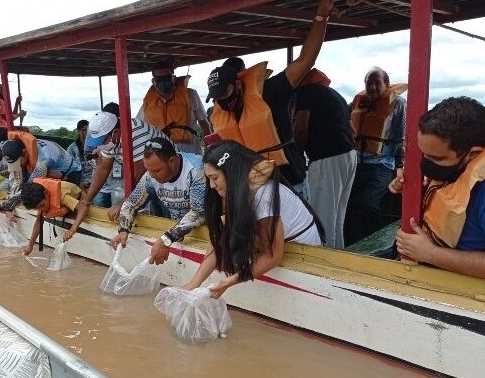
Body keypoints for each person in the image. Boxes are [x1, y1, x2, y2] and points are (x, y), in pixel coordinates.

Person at [205, 0, 335, 201]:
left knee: (298, 234)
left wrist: (322, 15)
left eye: (225, 93)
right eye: (217, 97)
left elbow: (305, 60)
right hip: (253, 187)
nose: (223, 101)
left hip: (290, 182)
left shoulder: (270, 92)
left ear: (237, 84)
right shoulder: (220, 113)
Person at [181, 140, 324, 299]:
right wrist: (194, 283)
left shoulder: (263, 195)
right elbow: (219, 238)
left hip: (304, 253)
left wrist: (228, 283)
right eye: (209, 179)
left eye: (214, 177)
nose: (212, 185)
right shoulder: (238, 191)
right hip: (277, 245)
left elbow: (272, 256)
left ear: (231, 173)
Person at [391, 97, 485, 279]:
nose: (426, 164)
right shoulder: (454, 169)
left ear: (473, 153)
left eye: (436, 159)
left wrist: (431, 254)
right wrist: (412, 190)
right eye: (424, 154)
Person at [63, 111, 171, 241]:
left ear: (116, 132)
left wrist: (123, 203)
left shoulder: (136, 133)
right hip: (151, 177)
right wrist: (87, 200)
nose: (100, 145)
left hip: (168, 174)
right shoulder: (109, 140)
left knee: (168, 215)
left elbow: (138, 175)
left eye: (102, 140)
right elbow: (103, 168)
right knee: (157, 211)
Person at [109, 138, 206, 265]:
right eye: (148, 170)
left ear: (172, 161)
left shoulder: (196, 170)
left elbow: (198, 212)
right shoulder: (150, 176)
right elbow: (130, 204)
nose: (152, 175)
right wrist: (123, 230)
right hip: (177, 232)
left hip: (206, 234)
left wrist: (166, 239)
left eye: (156, 171)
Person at [345, 67, 407, 244]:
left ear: (386, 85)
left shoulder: (398, 104)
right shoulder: (358, 103)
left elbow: (401, 138)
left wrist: (399, 166)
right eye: (368, 83)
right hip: (356, 163)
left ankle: (378, 243)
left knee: (369, 203)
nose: (372, 87)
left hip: (382, 165)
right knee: (348, 203)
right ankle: (352, 240)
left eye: (376, 83)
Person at [292, 82, 357, 250]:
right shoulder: (334, 94)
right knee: (337, 217)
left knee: (323, 217)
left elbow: (301, 128)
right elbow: (353, 131)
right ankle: (338, 256)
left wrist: (295, 153)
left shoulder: (305, 91)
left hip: (326, 158)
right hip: (349, 155)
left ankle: (324, 263)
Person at [0, 133, 83, 220]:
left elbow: (27, 189)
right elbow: (16, 180)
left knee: (61, 206)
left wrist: (0, 208)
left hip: (71, 171)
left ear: (24, 153)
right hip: (45, 169)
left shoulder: (42, 162)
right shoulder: (12, 149)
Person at [137, 59, 210, 154]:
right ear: (153, 81)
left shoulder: (191, 95)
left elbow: (204, 125)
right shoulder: (148, 102)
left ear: (173, 78)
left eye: (167, 78)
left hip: (190, 154)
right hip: (161, 156)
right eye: (159, 79)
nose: (163, 82)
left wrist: (209, 150)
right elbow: (138, 128)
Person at [21, 179, 82, 256]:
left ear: (46, 193)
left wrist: (72, 229)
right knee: (62, 211)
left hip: (78, 196)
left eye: (42, 205)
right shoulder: (39, 199)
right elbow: (39, 221)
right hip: (61, 204)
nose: (42, 209)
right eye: (38, 208)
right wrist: (30, 246)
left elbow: (82, 207)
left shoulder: (62, 196)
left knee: (64, 211)